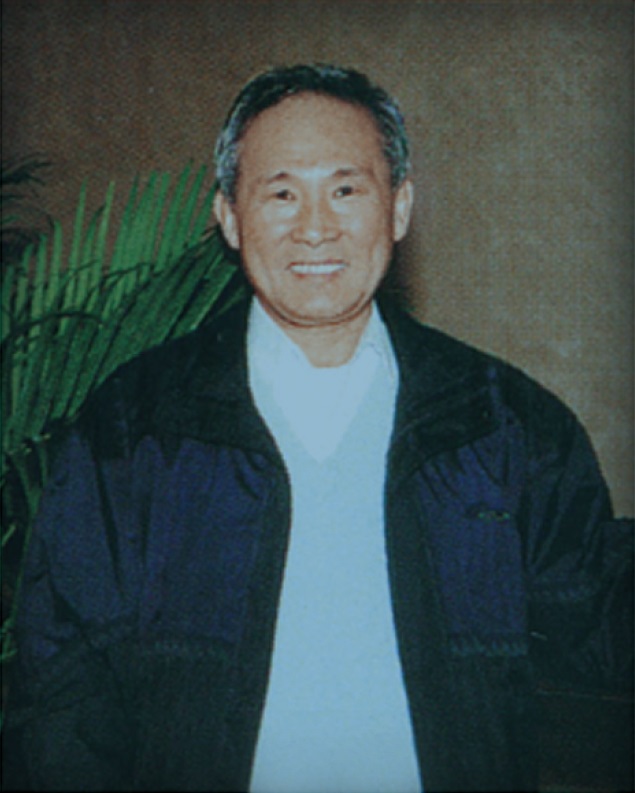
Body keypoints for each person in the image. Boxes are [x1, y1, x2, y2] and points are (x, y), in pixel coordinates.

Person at [2, 63, 632, 793]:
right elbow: (63, 696)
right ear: (228, 217)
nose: (314, 228)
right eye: (280, 193)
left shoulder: (503, 423)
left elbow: (595, 635)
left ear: (398, 207)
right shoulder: (135, 425)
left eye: (345, 190)